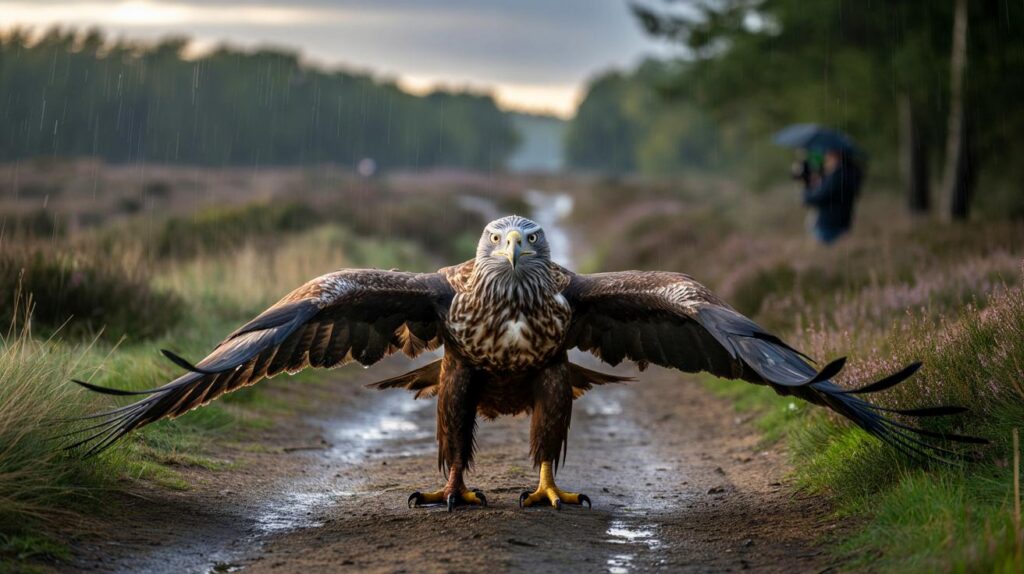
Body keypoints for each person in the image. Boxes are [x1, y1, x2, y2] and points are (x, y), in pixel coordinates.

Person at [802, 148, 862, 245]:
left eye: (828, 155)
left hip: (829, 225)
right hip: (842, 222)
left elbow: (817, 197)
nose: (826, 157)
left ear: (837, 155)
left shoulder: (839, 175)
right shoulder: (851, 171)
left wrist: (808, 190)